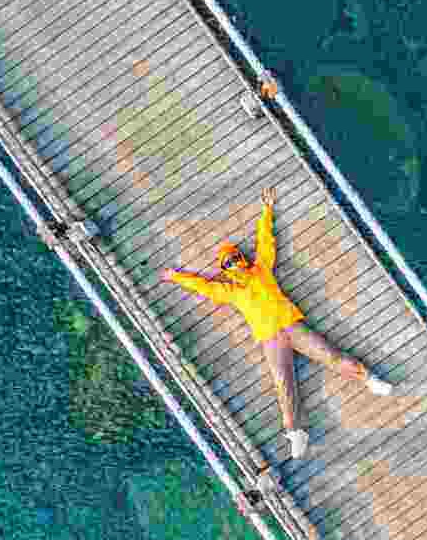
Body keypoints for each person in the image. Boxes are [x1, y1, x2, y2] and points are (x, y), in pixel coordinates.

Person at [170, 196, 396, 462]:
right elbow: (203, 286)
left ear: (242, 257)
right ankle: (295, 433)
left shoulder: (261, 269)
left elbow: (266, 242)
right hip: (270, 339)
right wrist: (176, 277)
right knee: (283, 385)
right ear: (224, 269)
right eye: (227, 262)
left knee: (331, 356)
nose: (233, 262)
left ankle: (369, 380)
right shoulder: (228, 291)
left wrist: (266, 212)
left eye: (235, 257)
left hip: (291, 325)